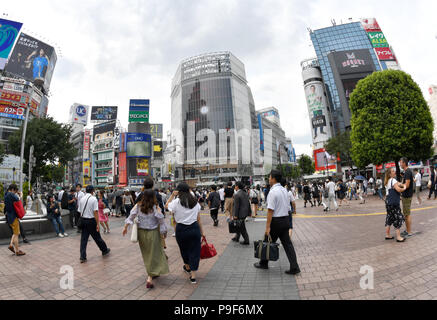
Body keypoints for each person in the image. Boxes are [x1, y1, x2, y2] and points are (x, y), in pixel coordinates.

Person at [254, 170, 300, 275]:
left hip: (276, 221)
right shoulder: (284, 190)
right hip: (285, 220)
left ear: (274, 178)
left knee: (267, 241)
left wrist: (267, 227)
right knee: (288, 245)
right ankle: (294, 266)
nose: (269, 179)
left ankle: (263, 263)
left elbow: (270, 210)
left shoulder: (273, 192)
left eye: (269, 177)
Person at [122, 189, 169, 289]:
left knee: (147, 254)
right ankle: (150, 277)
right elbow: (160, 220)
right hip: (153, 233)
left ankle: (153, 272)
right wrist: (164, 231)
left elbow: (130, 217)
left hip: (141, 233)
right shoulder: (155, 207)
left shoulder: (138, 206)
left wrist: (125, 227)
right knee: (154, 253)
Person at [165, 183, 205, 284]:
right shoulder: (194, 202)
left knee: (184, 250)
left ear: (179, 191)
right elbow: (198, 219)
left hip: (181, 229)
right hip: (194, 228)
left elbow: (166, 206)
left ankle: (187, 267)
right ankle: (193, 276)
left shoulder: (176, 201)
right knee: (195, 251)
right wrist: (202, 232)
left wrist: (172, 195)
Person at [77, 185, 111, 263]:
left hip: (84, 220)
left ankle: (82, 257)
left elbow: (79, 211)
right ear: (92, 191)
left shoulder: (82, 199)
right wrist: (98, 224)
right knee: (97, 237)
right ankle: (104, 250)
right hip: (91, 221)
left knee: (83, 239)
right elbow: (95, 212)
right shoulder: (93, 199)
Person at [384, 168, 406, 242]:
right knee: (398, 217)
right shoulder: (393, 180)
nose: (395, 172)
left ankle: (387, 235)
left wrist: (402, 183)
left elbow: (399, 184)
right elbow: (399, 189)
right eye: (393, 171)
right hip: (393, 203)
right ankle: (398, 237)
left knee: (389, 217)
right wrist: (405, 187)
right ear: (390, 174)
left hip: (388, 202)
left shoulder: (388, 181)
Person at [5, 184, 26, 256]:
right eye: (15, 190)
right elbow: (18, 201)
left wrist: (16, 194)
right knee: (16, 233)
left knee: (15, 233)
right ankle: (17, 251)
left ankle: (11, 245)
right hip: (13, 216)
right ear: (13, 189)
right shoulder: (11, 194)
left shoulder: (6, 194)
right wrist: (21, 195)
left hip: (8, 216)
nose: (15, 192)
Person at [400, 158, 414, 238]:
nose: (400, 164)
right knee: (406, 214)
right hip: (406, 195)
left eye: (401, 163)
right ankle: (407, 230)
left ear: (404, 163)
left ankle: (409, 232)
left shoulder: (408, 172)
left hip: (407, 196)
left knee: (407, 214)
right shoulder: (406, 172)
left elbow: (407, 185)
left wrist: (399, 185)